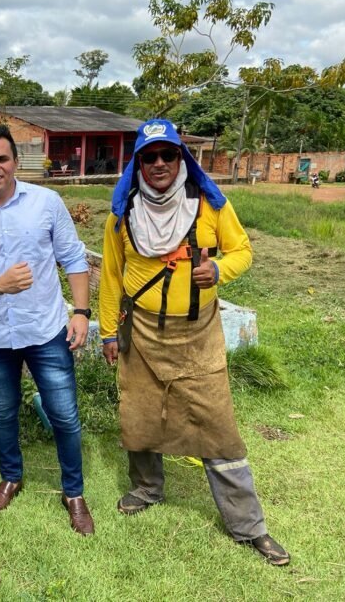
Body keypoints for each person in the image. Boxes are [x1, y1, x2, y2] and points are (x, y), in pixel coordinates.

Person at [99, 118, 290, 565]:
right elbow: (110, 277)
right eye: (150, 157)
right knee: (141, 413)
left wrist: (220, 270)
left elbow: (242, 249)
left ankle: (248, 526)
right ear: (139, 164)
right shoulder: (123, 213)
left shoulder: (210, 205)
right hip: (142, 331)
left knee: (217, 426)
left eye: (168, 154)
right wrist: (108, 331)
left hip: (199, 334)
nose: (160, 164)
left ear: (181, 157)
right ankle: (147, 488)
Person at [0, 124, 95, 536]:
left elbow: (74, 258)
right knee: (3, 411)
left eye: (2, 158)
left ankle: (74, 493)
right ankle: (12, 476)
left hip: (46, 330)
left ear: (15, 161)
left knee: (64, 414)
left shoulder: (46, 203)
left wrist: (81, 311)